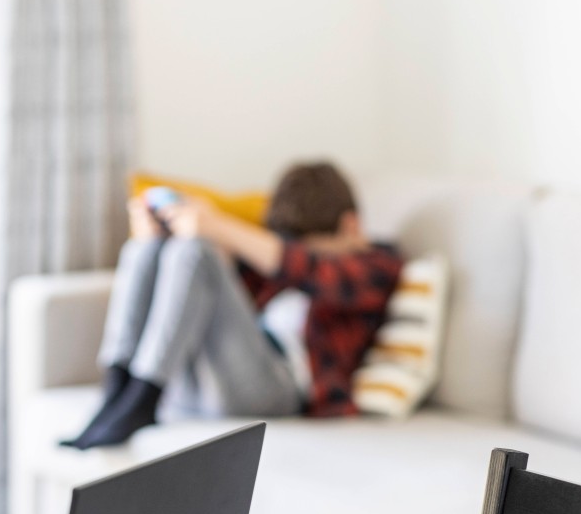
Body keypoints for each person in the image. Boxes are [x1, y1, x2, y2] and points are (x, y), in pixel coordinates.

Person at [62, 162, 404, 450]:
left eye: (311, 246)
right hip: (222, 374)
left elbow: (302, 266)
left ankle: (144, 397)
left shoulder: (379, 265)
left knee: (197, 251)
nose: (298, 250)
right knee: (147, 249)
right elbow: (223, 291)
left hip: (278, 388)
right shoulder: (273, 266)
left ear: (350, 226)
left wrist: (217, 227)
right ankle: (117, 388)